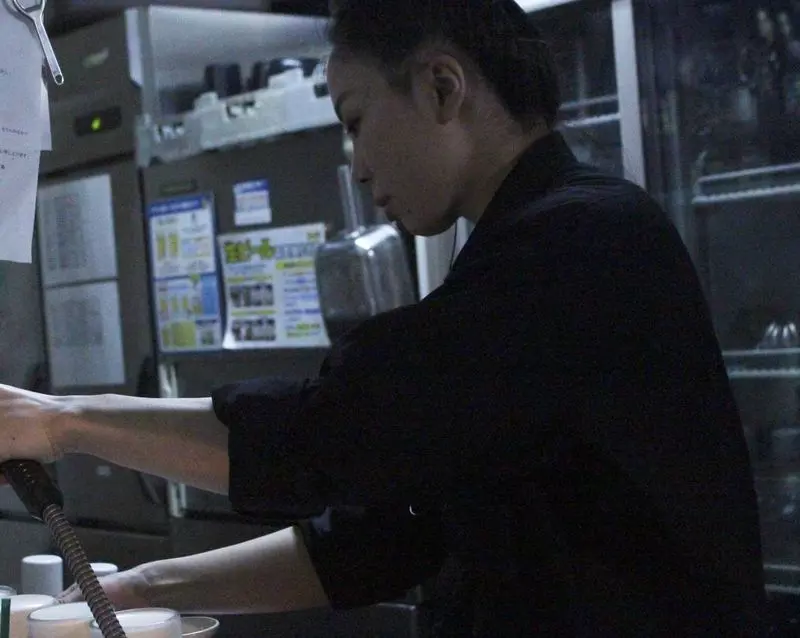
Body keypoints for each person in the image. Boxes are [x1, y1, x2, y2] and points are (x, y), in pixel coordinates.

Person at [0, 0, 766, 635]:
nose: (358, 165)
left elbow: (327, 435)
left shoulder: (578, 244)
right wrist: (143, 589)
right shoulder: (527, 246)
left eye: (357, 120)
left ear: (442, 88)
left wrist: (64, 422)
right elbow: (390, 536)